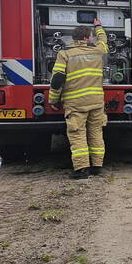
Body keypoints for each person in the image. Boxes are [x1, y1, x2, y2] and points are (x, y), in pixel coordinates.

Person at [49, 20, 108, 179]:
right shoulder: (98, 50)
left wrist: (53, 100)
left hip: (75, 103)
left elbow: (57, 80)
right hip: (96, 101)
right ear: (87, 38)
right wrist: (98, 27)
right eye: (91, 36)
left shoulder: (65, 54)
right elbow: (103, 40)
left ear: (74, 38)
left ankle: (81, 169)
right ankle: (97, 166)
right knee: (96, 133)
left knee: (77, 134)